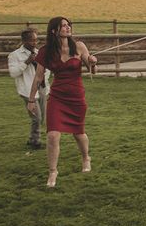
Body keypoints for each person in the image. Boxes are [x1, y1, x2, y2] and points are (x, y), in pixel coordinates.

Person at [27, 17, 97, 188]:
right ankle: (52, 172)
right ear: (54, 31)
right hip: (57, 97)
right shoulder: (46, 51)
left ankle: (86, 157)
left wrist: (93, 63)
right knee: (52, 135)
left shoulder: (79, 46)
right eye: (63, 26)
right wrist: (31, 99)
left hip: (76, 97)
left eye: (68, 25)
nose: (67, 28)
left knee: (78, 133)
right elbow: (38, 76)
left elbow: (92, 70)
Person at [8, 28, 51, 149]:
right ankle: (35, 142)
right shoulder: (14, 55)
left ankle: (32, 138)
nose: (35, 43)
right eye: (32, 40)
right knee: (37, 117)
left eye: (36, 40)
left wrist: (45, 84)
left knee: (42, 116)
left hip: (42, 88)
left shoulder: (39, 53)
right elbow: (13, 73)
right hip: (27, 90)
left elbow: (47, 70)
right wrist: (26, 62)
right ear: (24, 41)